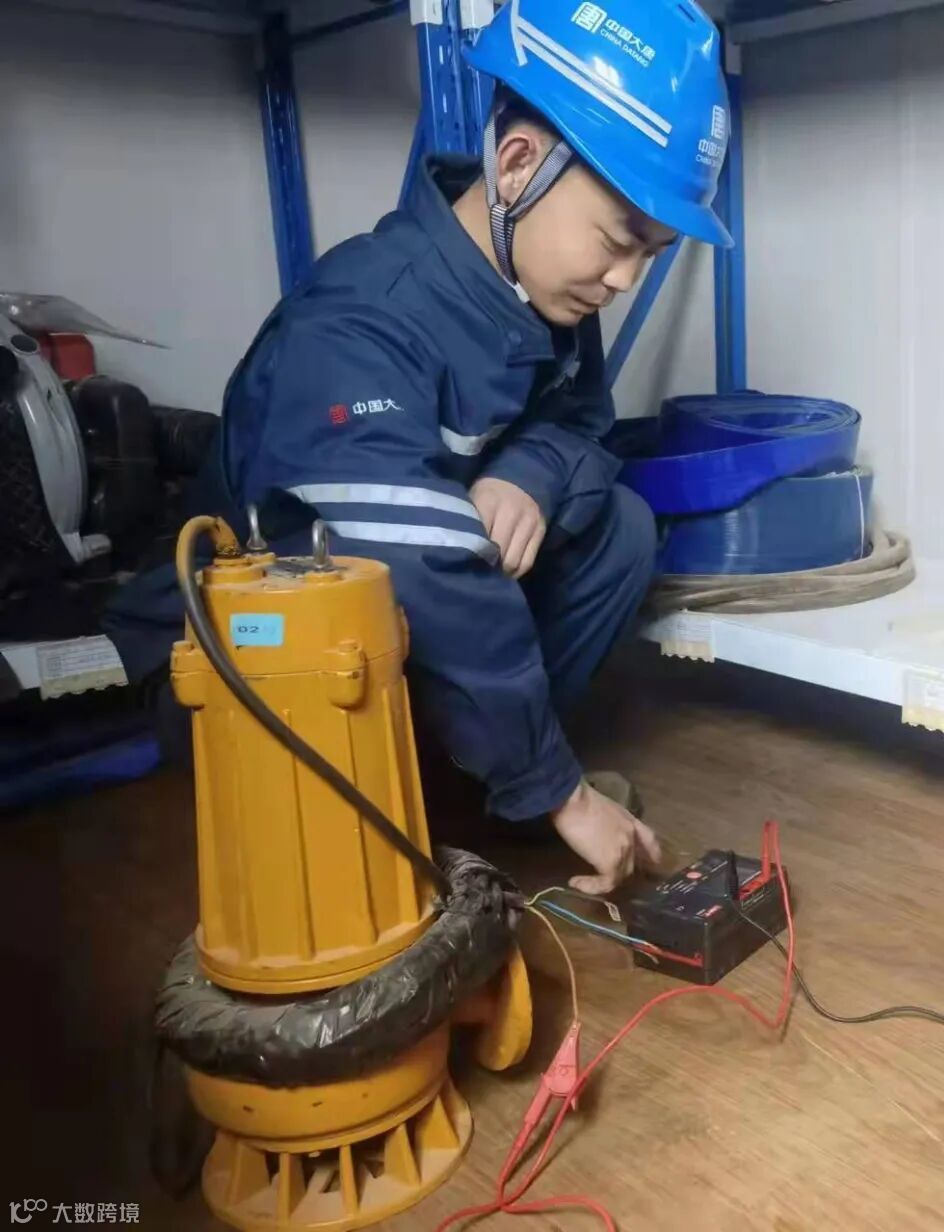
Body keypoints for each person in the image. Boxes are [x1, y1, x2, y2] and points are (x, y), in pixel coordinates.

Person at [105, 0, 733, 895]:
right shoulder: (358, 320)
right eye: (618, 240)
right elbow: (422, 563)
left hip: (394, 616)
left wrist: (527, 475)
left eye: (654, 253)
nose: (626, 279)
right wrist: (564, 794)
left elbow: (584, 428)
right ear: (518, 164)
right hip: (245, 658)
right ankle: (480, 791)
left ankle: (470, 788)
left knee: (621, 526)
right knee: (431, 583)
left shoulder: (549, 292)